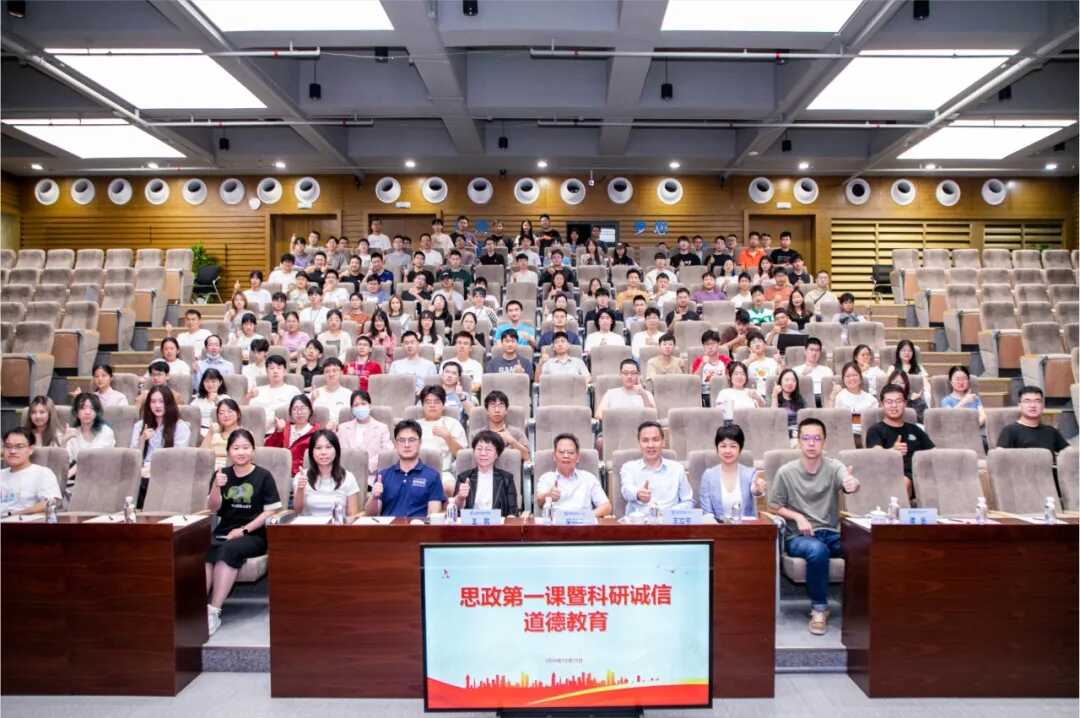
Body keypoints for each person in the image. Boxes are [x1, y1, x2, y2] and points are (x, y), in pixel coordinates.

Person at [768, 417, 861, 635]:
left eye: (817, 439)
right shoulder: (786, 472)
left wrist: (852, 484)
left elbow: (849, 482)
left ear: (824, 442)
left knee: (864, 546)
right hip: (799, 537)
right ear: (798, 441)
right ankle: (819, 608)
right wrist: (798, 517)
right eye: (806, 438)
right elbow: (774, 506)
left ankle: (863, 607)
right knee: (817, 551)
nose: (811, 443)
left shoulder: (834, 467)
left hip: (830, 533)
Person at [205, 429, 282, 636]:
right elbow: (213, 508)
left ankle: (214, 611)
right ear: (229, 451)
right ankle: (195, 609)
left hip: (254, 534)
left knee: (229, 550)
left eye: (246, 447)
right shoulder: (221, 475)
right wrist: (216, 486)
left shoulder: (263, 476)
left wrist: (243, 530)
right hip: (224, 530)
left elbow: (270, 511)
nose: (241, 452)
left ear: (253, 450)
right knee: (203, 549)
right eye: (236, 448)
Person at [865, 384, 935, 497]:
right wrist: (892, 451)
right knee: (903, 482)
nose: (894, 405)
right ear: (882, 404)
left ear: (905, 403)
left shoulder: (915, 429)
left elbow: (933, 452)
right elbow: (876, 453)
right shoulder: (875, 430)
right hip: (893, 476)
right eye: (889, 402)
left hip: (921, 475)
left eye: (898, 401)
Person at [366, 420, 445, 518]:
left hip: (418, 526)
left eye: (412, 440)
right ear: (396, 444)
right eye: (402, 440)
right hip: (388, 526)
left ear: (420, 443)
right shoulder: (383, 476)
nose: (406, 445)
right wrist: (374, 497)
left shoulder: (432, 476)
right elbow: (371, 515)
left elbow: (433, 514)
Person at [620, 421, 693, 517]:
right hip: (639, 523)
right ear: (639, 444)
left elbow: (688, 501)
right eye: (645, 440)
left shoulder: (677, 469)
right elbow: (626, 490)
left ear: (663, 442)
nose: (650, 445)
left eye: (655, 439)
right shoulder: (629, 468)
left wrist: (668, 514)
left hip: (669, 522)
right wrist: (638, 494)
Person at [535, 433, 611, 517]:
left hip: (583, 523)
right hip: (555, 523)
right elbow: (539, 502)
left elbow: (606, 506)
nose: (566, 456)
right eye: (561, 452)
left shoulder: (589, 478)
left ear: (578, 457)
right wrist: (548, 495)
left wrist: (587, 516)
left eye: (571, 452)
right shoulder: (546, 478)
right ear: (554, 456)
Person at [700, 424, 766, 519]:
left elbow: (755, 490)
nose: (728, 451)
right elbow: (707, 514)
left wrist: (758, 490)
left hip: (746, 527)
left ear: (740, 449)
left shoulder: (750, 473)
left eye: (733, 446)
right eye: (723, 446)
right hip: (717, 527)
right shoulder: (708, 476)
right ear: (717, 448)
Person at [293, 429, 361, 519]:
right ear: (311, 452)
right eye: (318, 448)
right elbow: (297, 511)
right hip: (309, 526)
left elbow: (352, 514)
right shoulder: (301, 476)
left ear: (336, 450)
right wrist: (300, 489)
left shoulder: (348, 477)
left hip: (338, 526)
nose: (323, 452)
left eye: (328, 447)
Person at [132, 385, 192, 482]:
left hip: (167, 475)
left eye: (161, 401)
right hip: (142, 473)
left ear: (169, 403)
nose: (157, 406)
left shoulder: (181, 427)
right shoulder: (139, 426)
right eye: (153, 401)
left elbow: (178, 458)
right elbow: (133, 459)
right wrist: (142, 440)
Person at [450, 430, 519, 515]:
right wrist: (460, 498)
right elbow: (455, 511)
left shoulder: (506, 479)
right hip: (470, 522)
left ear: (497, 454)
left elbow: (513, 512)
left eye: (488, 449)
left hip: (497, 523)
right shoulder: (464, 477)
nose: (483, 453)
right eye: (479, 449)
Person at [1, 427, 62, 516]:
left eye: (19, 446)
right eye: (8, 446)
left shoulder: (42, 473)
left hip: (24, 521)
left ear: (30, 449)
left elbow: (49, 503)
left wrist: (15, 515)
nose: (12, 451)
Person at [415, 386, 467, 489]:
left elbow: (462, 455)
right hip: (416, 471)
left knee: (450, 487)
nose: (432, 405)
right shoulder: (415, 425)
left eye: (436, 402)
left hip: (443, 472)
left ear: (443, 405)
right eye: (428, 402)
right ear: (422, 405)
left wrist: (448, 437)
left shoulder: (452, 423)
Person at [996, 386, 1070, 454]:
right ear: (1019, 405)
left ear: (1043, 405)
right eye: (1027, 401)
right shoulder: (1010, 430)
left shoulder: (1051, 431)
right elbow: (999, 456)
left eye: (1037, 401)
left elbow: (1069, 453)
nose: (1033, 405)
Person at [64, 392, 116, 479]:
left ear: (97, 412)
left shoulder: (106, 431)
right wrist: (64, 440)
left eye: (92, 408)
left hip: (102, 477)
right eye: (82, 408)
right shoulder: (73, 432)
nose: (87, 412)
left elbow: (90, 457)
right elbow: (65, 460)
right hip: (78, 479)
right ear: (76, 412)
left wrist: (68, 475)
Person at [265, 394, 320, 476]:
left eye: (302, 408)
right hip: (279, 471)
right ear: (290, 413)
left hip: (302, 474)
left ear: (310, 410)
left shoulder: (316, 433)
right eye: (295, 409)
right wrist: (279, 431)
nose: (299, 412)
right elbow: (269, 449)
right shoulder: (284, 428)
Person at [247, 355, 302, 434]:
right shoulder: (258, 391)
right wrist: (249, 397)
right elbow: (248, 414)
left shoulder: (293, 390)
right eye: (272, 368)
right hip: (258, 432)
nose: (275, 371)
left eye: (279, 368)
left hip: (283, 432)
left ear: (285, 371)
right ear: (267, 371)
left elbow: (302, 411)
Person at [828, 362, 879, 436]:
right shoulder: (839, 396)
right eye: (848, 376)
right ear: (843, 379)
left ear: (860, 378)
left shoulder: (871, 399)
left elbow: (873, 421)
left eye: (855, 375)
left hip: (867, 434)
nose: (851, 378)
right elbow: (835, 419)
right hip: (845, 435)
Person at [482, 390, 530, 462]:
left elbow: (527, 457)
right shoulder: (479, 434)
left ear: (506, 410)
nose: (497, 410)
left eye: (501, 406)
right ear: (487, 411)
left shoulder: (517, 433)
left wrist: (512, 441)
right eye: (493, 405)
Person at [887, 339, 932, 407]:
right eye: (904, 350)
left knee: (927, 396)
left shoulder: (919, 367)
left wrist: (923, 393)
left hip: (917, 397)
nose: (907, 353)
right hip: (898, 395)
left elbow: (926, 384)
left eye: (910, 351)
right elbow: (888, 386)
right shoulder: (892, 368)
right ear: (898, 352)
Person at [201, 398, 242, 470]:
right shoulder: (214, 432)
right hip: (210, 468)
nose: (226, 415)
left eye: (230, 411)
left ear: (238, 414)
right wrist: (211, 432)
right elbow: (202, 452)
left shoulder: (244, 434)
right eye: (221, 413)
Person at [191, 368, 231, 437]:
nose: (210, 384)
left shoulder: (225, 398)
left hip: (218, 431)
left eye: (213, 381)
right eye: (207, 381)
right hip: (198, 431)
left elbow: (229, 416)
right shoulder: (198, 399)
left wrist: (216, 401)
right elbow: (190, 413)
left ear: (220, 382)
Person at [746, 331, 780, 396]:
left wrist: (780, 363)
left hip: (771, 395)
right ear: (749, 348)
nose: (757, 344)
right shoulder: (746, 363)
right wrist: (749, 361)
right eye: (753, 342)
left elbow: (782, 378)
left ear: (765, 345)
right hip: (753, 396)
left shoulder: (773, 361)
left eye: (759, 341)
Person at [773, 368, 806, 433]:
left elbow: (804, 419)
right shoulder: (775, 398)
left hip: (798, 432)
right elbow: (773, 418)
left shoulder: (800, 399)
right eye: (787, 380)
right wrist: (774, 396)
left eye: (793, 380)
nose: (790, 383)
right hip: (781, 431)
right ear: (780, 382)